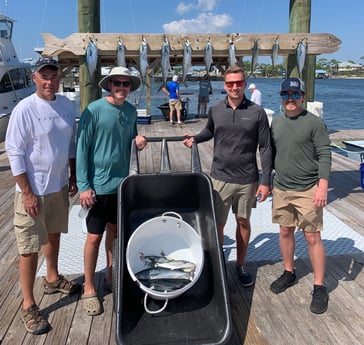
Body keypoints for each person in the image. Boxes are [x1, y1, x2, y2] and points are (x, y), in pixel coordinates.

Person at [5, 57, 81, 335]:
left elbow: (68, 144)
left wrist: (72, 175)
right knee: (28, 248)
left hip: (58, 187)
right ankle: (28, 304)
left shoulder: (65, 104)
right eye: (44, 76)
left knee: (54, 234)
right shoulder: (24, 108)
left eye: (54, 76)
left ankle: (52, 278)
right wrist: (26, 192)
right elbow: (14, 152)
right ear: (34, 79)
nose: (50, 81)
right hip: (32, 191)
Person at [183, 66, 273, 287]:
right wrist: (195, 138)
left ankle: (240, 264)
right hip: (220, 177)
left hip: (247, 179)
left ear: (244, 84)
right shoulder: (215, 109)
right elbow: (210, 131)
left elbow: (266, 148)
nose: (235, 87)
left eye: (239, 82)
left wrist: (265, 182)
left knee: (243, 221)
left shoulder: (257, 112)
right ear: (225, 86)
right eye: (230, 83)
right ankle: (219, 261)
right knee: (219, 224)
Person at [76, 66, 147, 316]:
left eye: (125, 84)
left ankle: (110, 274)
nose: (121, 87)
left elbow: (131, 138)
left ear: (130, 87)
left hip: (122, 185)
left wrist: (138, 141)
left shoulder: (130, 110)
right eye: (116, 83)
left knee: (115, 233)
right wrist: (84, 185)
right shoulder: (93, 110)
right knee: (93, 237)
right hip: (97, 187)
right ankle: (88, 288)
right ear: (108, 85)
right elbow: (81, 149)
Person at [270, 77, 331, 314]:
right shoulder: (276, 122)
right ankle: (289, 272)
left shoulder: (314, 123)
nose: (290, 99)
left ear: (303, 97)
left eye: (295, 94)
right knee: (285, 230)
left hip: (308, 189)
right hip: (282, 188)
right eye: (285, 94)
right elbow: (270, 153)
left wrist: (323, 185)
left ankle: (319, 286)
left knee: (312, 236)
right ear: (281, 98)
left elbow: (325, 153)